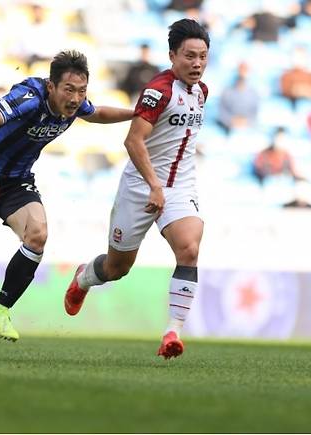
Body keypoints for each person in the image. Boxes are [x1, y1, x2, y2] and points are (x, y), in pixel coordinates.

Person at [0, 50, 133, 341]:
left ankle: (0, 311)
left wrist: (139, 114)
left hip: (17, 181)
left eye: (81, 91)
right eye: (69, 90)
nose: (76, 98)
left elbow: (98, 113)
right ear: (52, 86)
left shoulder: (74, 105)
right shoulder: (29, 97)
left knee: (38, 234)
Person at [64, 19, 210, 359]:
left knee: (189, 248)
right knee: (117, 268)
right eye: (190, 56)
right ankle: (84, 278)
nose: (197, 63)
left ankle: (172, 332)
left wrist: (166, 188)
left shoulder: (202, 91)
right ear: (172, 55)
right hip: (140, 186)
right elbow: (133, 141)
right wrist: (154, 186)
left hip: (180, 186)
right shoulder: (158, 91)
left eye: (203, 56)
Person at [217, 61, 258, 134]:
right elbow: (221, 113)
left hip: (248, 130)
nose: (242, 73)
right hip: (227, 130)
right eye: (240, 69)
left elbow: (255, 115)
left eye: (245, 69)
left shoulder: (254, 94)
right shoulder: (227, 91)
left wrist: (245, 122)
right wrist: (232, 121)